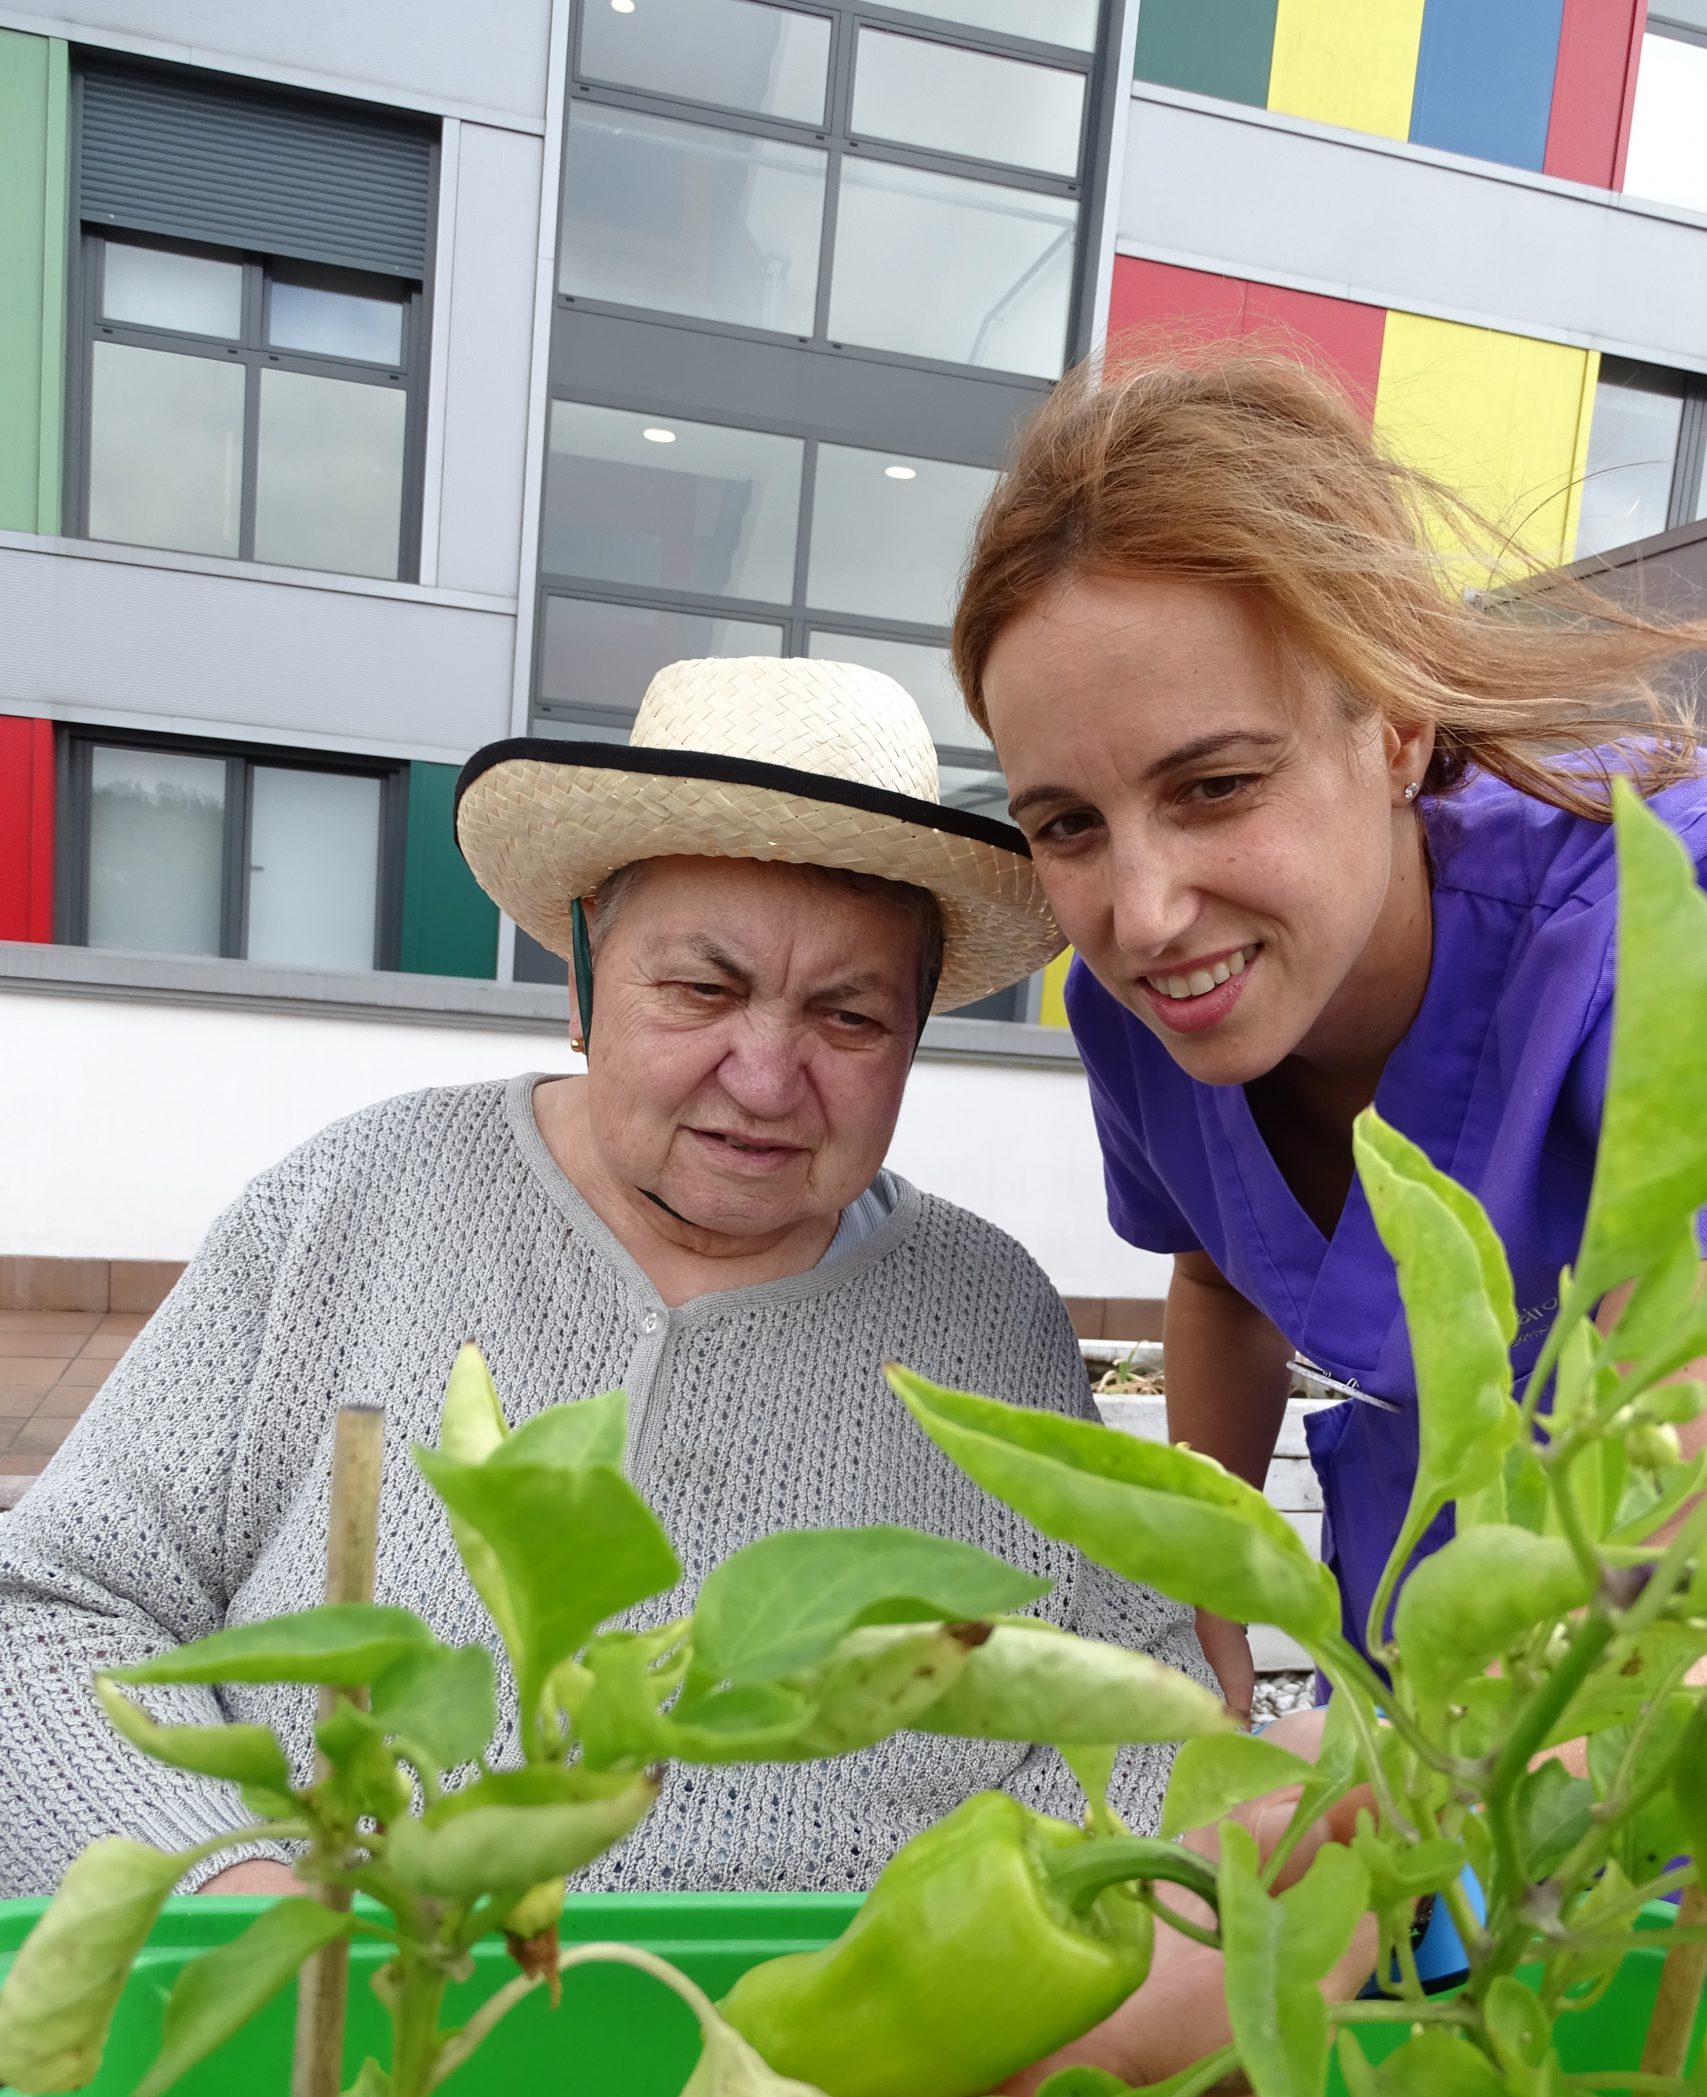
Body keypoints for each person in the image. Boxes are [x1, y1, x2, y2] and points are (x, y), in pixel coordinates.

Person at [0, 654, 1209, 1901]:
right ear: (582, 971)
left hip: (828, 2076)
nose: (764, 1076)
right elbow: (46, 1606)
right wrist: (239, 1888)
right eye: (702, 988)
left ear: (914, 1035)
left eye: (850, 1017)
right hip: (323, 2046)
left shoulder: (990, 1314)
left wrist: (997, 1967)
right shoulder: (357, 1202)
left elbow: (1138, 1714)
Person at [949, 342, 1707, 1720]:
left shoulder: (1645, 923)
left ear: (1396, 725)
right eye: (1063, 823)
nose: (1143, 912)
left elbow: (1672, 1425)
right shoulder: (1122, 1016)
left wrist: (1379, 1814)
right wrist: (1213, 1618)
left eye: (1216, 786)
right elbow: (1221, 1283)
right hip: (1423, 1654)